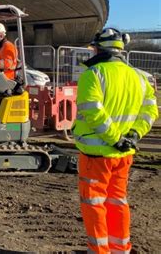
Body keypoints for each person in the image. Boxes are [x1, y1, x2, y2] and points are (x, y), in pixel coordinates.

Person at [73, 28, 158, 253]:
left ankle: (100, 251)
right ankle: (121, 250)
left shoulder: (93, 74)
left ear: (98, 48)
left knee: (95, 204)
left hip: (97, 155)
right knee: (117, 202)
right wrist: (133, 135)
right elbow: (149, 111)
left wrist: (115, 138)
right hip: (123, 155)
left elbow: (92, 111)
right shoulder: (139, 77)